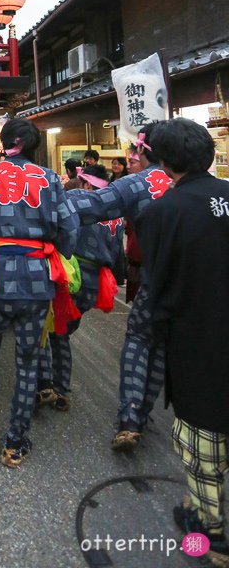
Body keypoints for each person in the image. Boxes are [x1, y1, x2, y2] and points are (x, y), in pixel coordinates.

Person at [140, 119, 229, 563]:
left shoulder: (162, 212)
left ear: (164, 161)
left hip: (198, 340)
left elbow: (157, 288)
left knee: (202, 442)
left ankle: (211, 533)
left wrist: (159, 336)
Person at [0, 117, 79, 469]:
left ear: (7, 141)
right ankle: (16, 441)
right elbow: (68, 229)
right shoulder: (48, 178)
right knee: (28, 359)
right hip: (35, 278)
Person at [70, 122, 172, 450]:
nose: (130, 156)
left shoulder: (138, 184)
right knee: (161, 348)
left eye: (135, 149)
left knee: (139, 341)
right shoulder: (203, 185)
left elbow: (89, 207)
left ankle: (130, 418)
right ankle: (143, 412)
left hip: (157, 282)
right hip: (197, 288)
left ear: (145, 150)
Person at [39, 163, 122, 411]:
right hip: (96, 281)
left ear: (86, 183)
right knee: (61, 332)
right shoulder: (116, 213)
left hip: (72, 274)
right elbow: (118, 255)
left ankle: (50, 386)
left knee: (49, 329)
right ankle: (58, 387)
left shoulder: (75, 197)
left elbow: (58, 230)